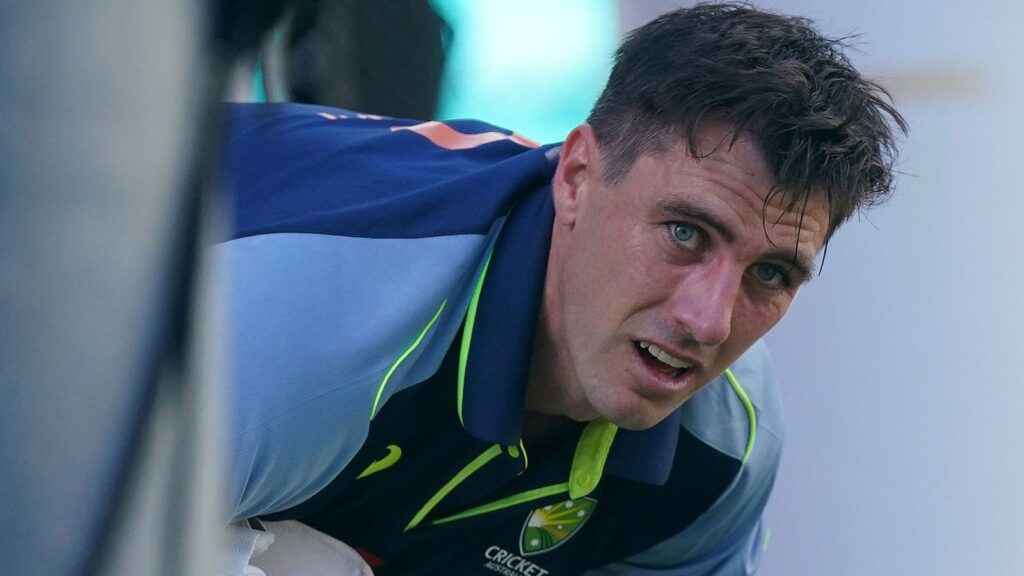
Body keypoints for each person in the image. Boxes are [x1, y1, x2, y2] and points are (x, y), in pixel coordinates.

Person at [217, 3, 907, 575]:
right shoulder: (305, 330)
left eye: (770, 274)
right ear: (576, 177)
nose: (708, 321)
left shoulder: (725, 451)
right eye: (685, 233)